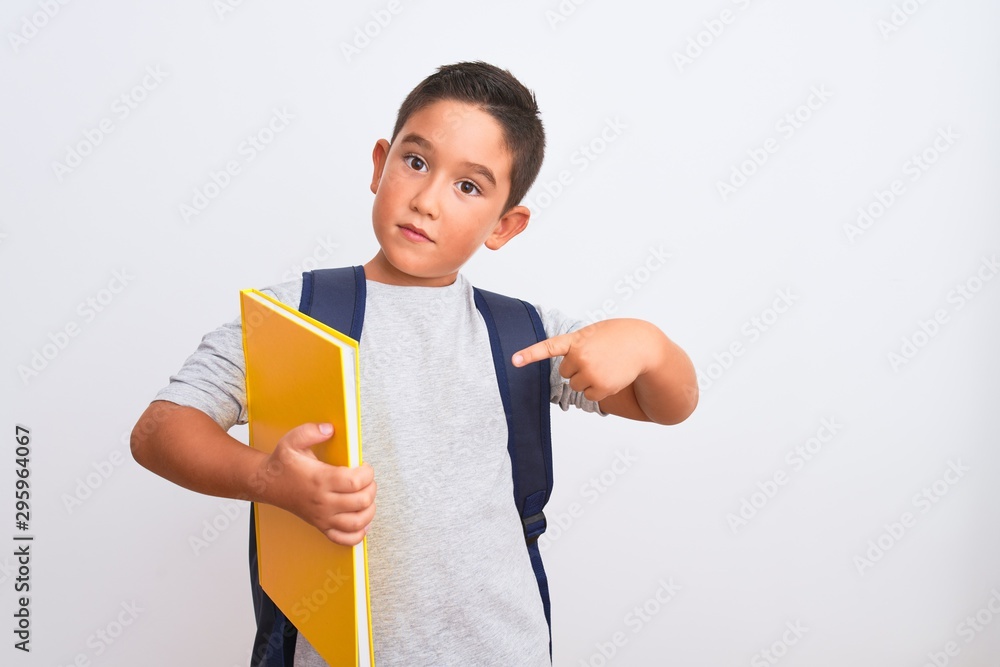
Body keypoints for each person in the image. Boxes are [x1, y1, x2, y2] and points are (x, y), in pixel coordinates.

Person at [130, 60, 698, 666]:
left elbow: (664, 405)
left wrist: (651, 345)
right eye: (416, 162)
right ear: (381, 165)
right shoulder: (290, 316)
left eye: (469, 186)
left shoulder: (526, 335)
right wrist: (267, 480)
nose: (426, 200)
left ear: (504, 226)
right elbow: (160, 430)